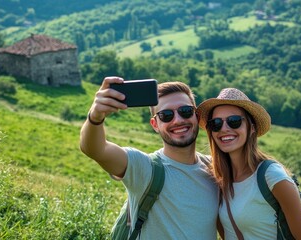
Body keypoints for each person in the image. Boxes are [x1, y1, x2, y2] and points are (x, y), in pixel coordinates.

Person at [80, 77, 219, 239]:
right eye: (166, 115)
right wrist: (95, 116)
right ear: (155, 124)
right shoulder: (145, 168)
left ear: (197, 116)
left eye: (186, 111)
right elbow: (95, 149)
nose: (179, 120)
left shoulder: (214, 168)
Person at [196, 88, 301, 240]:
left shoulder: (272, 176)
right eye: (216, 123)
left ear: (251, 127)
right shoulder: (218, 178)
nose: (224, 129)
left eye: (234, 121)